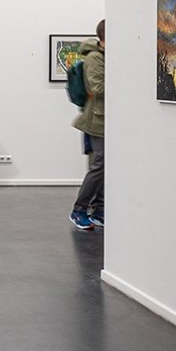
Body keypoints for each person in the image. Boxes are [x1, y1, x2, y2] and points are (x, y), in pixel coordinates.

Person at [70, 19, 106, 230]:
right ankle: (79, 210)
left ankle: (99, 211)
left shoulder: (105, 57)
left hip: (106, 119)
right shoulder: (94, 58)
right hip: (97, 120)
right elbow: (98, 87)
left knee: (105, 166)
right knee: (100, 165)